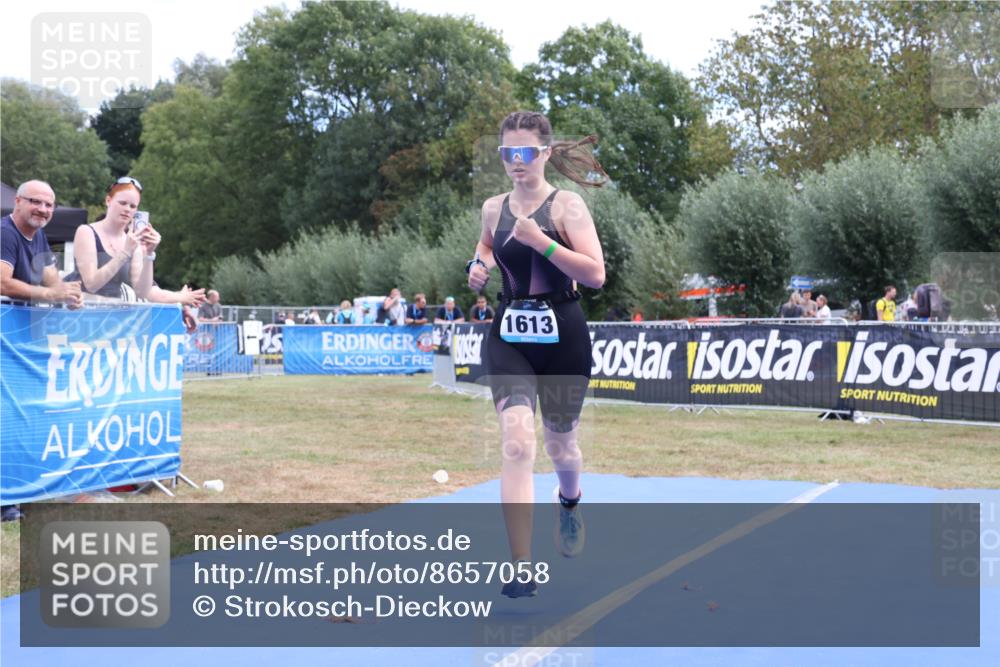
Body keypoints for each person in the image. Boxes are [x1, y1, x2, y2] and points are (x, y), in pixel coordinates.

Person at [466, 110, 607, 598]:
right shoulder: (492, 207)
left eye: (525, 152)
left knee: (561, 446)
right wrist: (477, 267)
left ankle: (569, 502)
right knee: (518, 443)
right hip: (510, 336)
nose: (515, 162)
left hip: (564, 333)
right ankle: (522, 567)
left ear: (545, 153)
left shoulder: (567, 207)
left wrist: (542, 242)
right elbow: (487, 245)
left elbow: (595, 275)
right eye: (507, 153)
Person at [70, 177, 157, 300]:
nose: (127, 209)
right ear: (108, 200)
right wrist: (125, 253)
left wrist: (149, 255)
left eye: (132, 206)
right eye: (122, 203)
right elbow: (91, 285)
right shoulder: (86, 232)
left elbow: (142, 293)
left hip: (113, 312)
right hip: (82, 309)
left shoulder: (132, 242)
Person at [0, 180, 82, 308]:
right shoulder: (4, 232)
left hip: (22, 323)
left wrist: (69, 296)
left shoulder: (38, 234)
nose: (43, 209)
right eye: (36, 201)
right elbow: (2, 283)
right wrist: (50, 294)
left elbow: (51, 279)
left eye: (49, 205)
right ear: (18, 201)